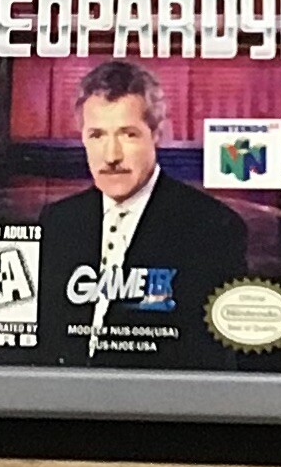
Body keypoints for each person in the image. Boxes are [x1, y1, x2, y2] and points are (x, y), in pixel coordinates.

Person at [38, 60, 248, 368]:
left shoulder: (214, 227)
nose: (111, 156)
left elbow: (213, 359)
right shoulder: (58, 221)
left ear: (157, 133)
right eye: (97, 135)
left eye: (128, 135)